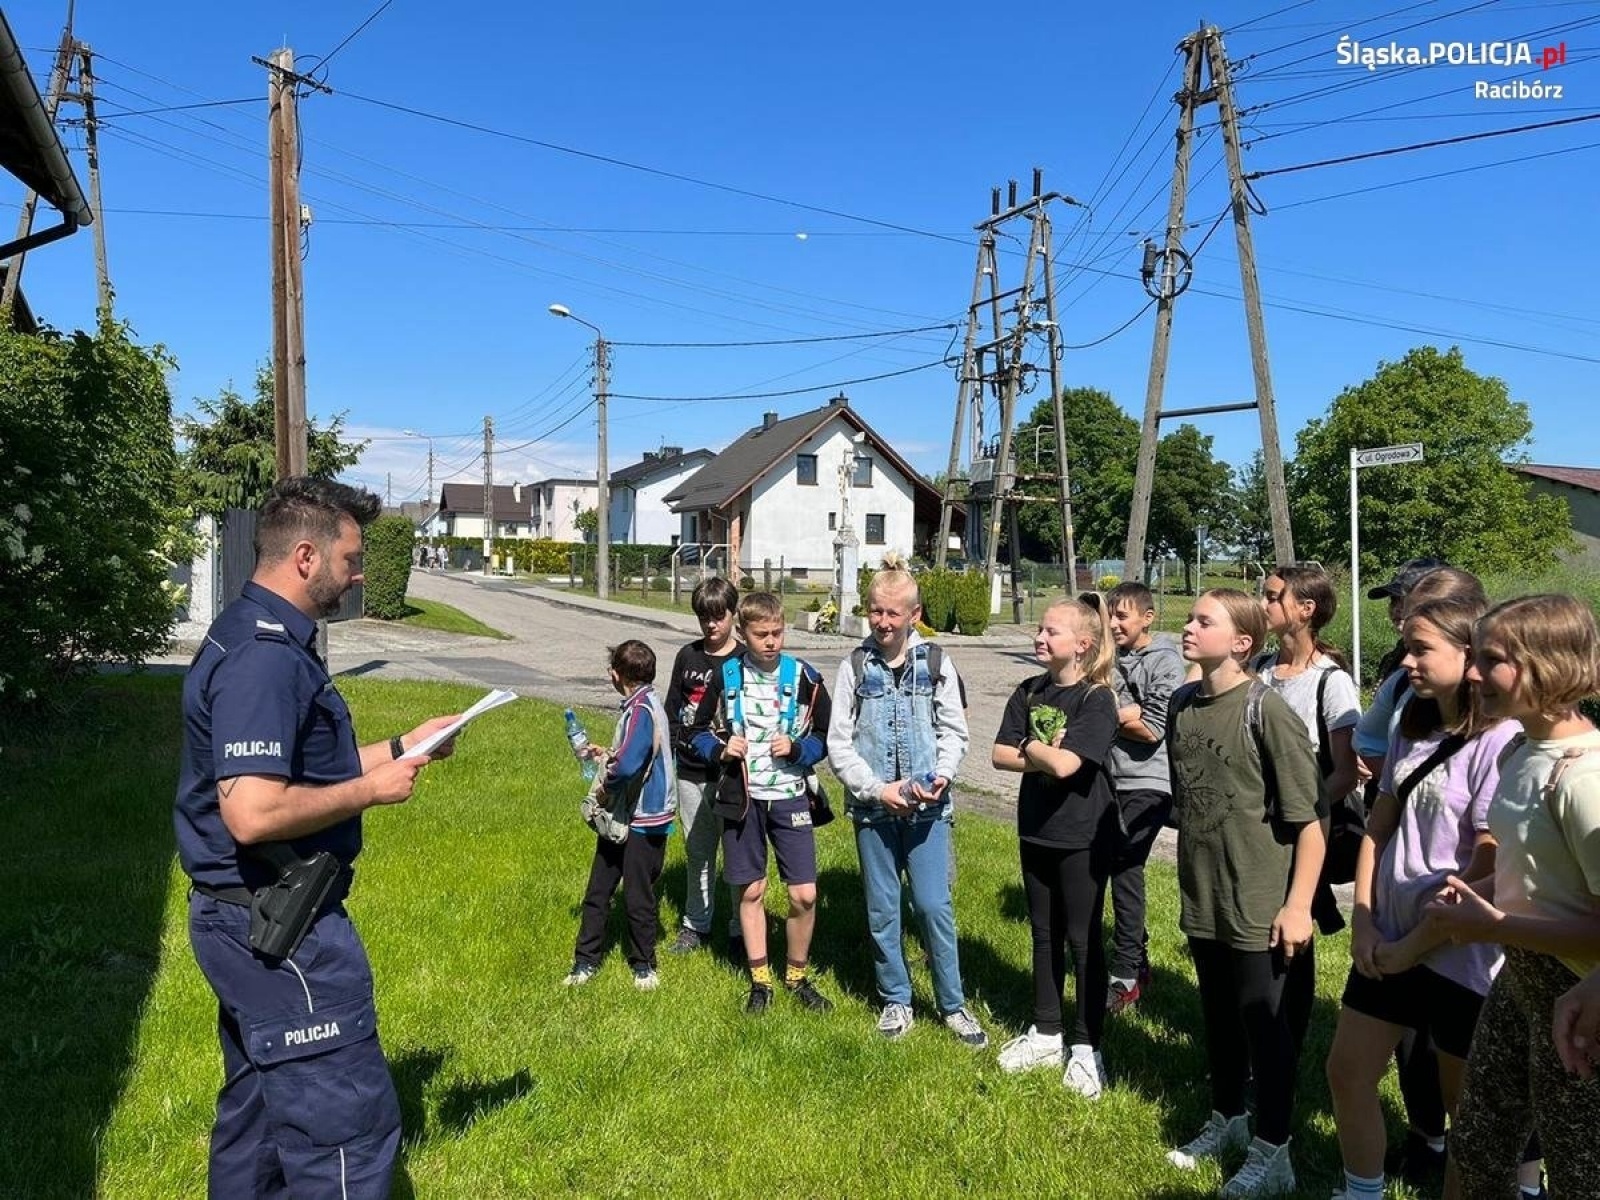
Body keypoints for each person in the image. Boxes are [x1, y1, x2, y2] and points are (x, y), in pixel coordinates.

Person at [175, 477, 462, 1198]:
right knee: (345, 1133)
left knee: (257, 1122)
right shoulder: (264, 658)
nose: (360, 573)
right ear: (306, 556)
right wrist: (372, 790)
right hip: (279, 925)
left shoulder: (256, 633)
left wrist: (400, 747)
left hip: (247, 916)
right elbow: (253, 812)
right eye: (352, 559)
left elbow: (297, 770)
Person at [1324, 593, 1519, 1200]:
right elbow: (1378, 828)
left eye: (1420, 649)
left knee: (1469, 1109)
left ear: (1469, 656)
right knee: (1347, 1071)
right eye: (1407, 646)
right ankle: (1363, 1191)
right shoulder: (1413, 714)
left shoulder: (1501, 740)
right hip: (1386, 937)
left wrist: (1414, 946)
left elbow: (1485, 867)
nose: (1406, 661)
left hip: (1457, 956)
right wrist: (1363, 920)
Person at [1418, 593, 1600, 1199]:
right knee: (1478, 1142)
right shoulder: (1522, 749)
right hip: (1519, 981)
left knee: (1579, 1172)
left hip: (1579, 999)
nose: (1472, 673)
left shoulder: (1584, 779)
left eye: (1490, 659)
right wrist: (1480, 891)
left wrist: (1491, 925)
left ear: (1544, 665)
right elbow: (1540, 872)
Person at [1164, 588, 1325, 1198]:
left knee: (1266, 1028)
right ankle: (1227, 1120)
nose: (1188, 626)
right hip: (1206, 896)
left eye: (1203, 620)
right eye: (1190, 617)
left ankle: (1273, 1150)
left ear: (1241, 643)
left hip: (1262, 902)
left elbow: (1309, 823)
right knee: (1219, 1019)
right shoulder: (1182, 704)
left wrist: (1297, 906)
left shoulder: (1267, 710)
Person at [827, 565, 985, 1047]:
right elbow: (839, 744)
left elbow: (954, 732)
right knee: (882, 908)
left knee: (934, 905)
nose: (883, 621)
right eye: (876, 610)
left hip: (928, 812)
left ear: (915, 614)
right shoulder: (854, 666)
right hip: (873, 811)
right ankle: (896, 998)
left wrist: (941, 777)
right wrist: (877, 790)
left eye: (894, 612)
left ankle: (953, 1004)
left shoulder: (937, 662)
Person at [991, 597, 1120, 1098]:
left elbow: (1071, 767)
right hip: (1036, 830)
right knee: (1043, 934)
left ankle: (1088, 1048)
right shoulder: (1029, 691)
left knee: (1084, 940)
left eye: (1051, 633)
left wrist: (1033, 749)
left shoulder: (1097, 700)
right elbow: (999, 753)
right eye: (1039, 631)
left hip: (1083, 836)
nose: (1039, 639)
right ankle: (1046, 1031)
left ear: (1082, 645)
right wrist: (1040, 749)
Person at [689, 591, 834, 1014]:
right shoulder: (726, 675)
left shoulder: (805, 676)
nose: (771, 641)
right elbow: (695, 732)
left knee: (804, 894)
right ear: (743, 633)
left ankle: (797, 975)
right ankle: (760, 980)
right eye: (761, 635)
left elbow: (824, 738)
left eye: (777, 633)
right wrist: (720, 748)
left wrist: (798, 748)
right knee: (750, 890)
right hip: (743, 798)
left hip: (790, 797)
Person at [1251, 564, 1360, 1066]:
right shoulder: (1260, 671)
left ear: (1305, 609)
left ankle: (1285, 1044)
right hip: (1257, 825)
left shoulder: (1330, 682)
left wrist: (1302, 816)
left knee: (1292, 935)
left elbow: (1346, 772)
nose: (1265, 604)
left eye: (1274, 597)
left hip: (1303, 828)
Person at [563, 639, 679, 989]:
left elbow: (629, 765)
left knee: (635, 896)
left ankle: (643, 965)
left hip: (641, 817)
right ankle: (587, 960)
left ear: (617, 675)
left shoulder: (641, 710)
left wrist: (604, 786)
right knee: (600, 890)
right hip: (631, 815)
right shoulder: (643, 703)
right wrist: (607, 753)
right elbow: (632, 752)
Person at [1103, 580, 1187, 1014]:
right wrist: (1121, 714)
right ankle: (1138, 959)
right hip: (1111, 778)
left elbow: (1152, 728)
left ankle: (1126, 972)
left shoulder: (1165, 661)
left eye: (1123, 616)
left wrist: (1107, 713)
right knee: (1118, 868)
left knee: (1124, 861)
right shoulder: (1110, 656)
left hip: (1149, 784)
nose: (1114, 624)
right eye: (1110, 616)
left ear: (1147, 617)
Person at [663, 576, 744, 957]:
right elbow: (672, 709)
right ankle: (696, 923)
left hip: (732, 776)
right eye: (703, 618)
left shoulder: (745, 658)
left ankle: (740, 928)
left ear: (733, 614)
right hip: (692, 772)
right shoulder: (688, 657)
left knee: (737, 856)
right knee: (699, 851)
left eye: (718, 617)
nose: (711, 625)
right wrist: (678, 745)